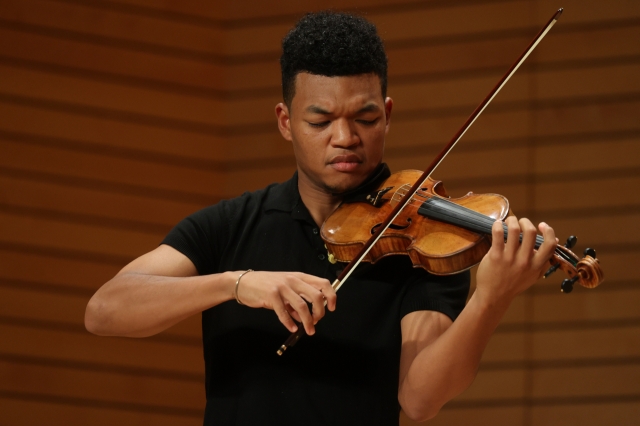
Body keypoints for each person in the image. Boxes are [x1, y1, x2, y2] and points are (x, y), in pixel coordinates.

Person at [85, 11, 556, 426]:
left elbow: (420, 399)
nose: (345, 137)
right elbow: (104, 311)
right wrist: (235, 283)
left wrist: (491, 299)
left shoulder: (424, 243)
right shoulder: (231, 224)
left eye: (365, 119)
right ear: (286, 121)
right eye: (320, 121)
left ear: (387, 115)